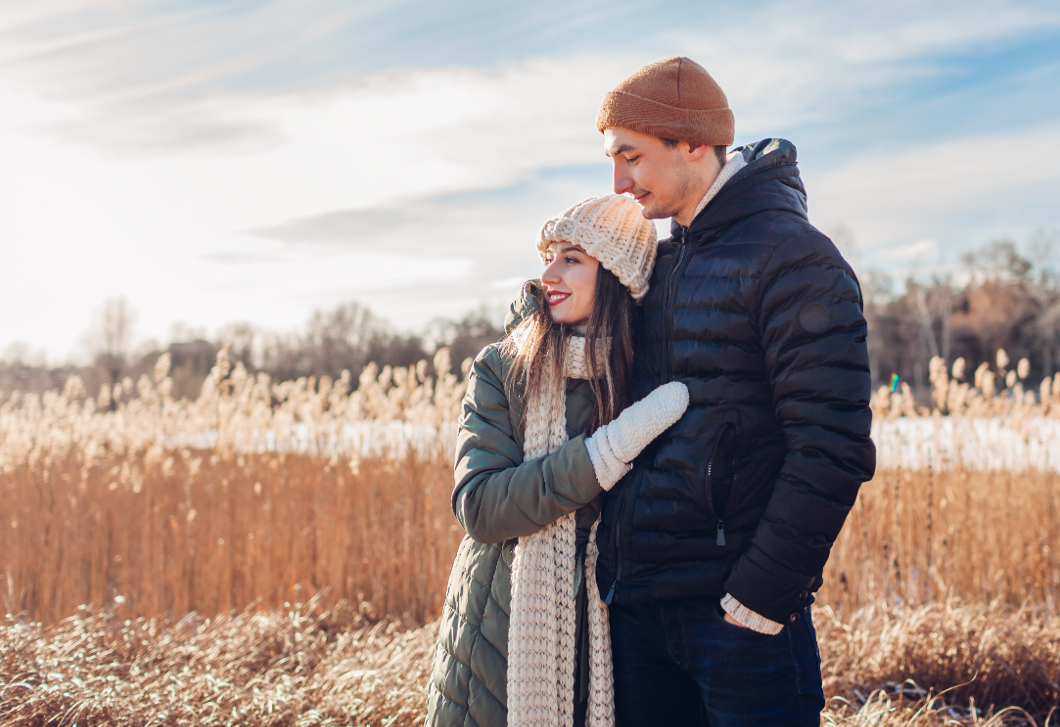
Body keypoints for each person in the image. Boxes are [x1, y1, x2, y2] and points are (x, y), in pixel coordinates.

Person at [592, 57, 878, 726]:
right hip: (639, 613)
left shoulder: (794, 258)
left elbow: (832, 443)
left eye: (630, 155)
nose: (617, 180)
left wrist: (763, 593)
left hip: (738, 619)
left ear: (692, 143)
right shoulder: (654, 263)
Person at [426, 194, 689, 727]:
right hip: (499, 631)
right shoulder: (504, 367)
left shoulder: (642, 376)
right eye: (549, 255)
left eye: (572, 258)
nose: (549, 272)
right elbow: (481, 506)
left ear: (617, 276)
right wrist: (604, 453)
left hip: (615, 634)